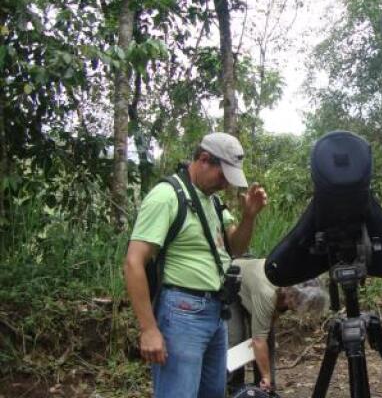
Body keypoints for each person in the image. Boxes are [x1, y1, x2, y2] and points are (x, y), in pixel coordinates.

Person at [123, 132, 268, 398]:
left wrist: (249, 217)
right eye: (222, 175)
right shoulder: (166, 196)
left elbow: (235, 248)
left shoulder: (211, 200)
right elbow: (134, 262)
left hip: (216, 312)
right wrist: (149, 329)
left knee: (212, 392)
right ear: (204, 160)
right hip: (182, 312)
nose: (225, 184)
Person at [227, 258, 329, 393]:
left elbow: (270, 320)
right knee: (237, 337)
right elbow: (259, 341)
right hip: (233, 284)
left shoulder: (292, 284)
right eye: (298, 304)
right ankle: (235, 386)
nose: (298, 309)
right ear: (292, 295)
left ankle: (265, 387)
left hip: (256, 286)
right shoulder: (267, 293)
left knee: (266, 336)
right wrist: (265, 371)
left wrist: (260, 337)